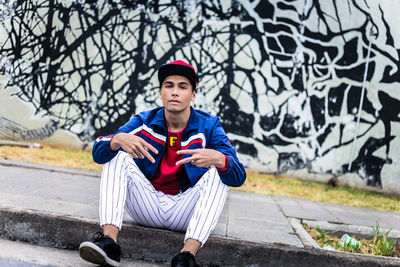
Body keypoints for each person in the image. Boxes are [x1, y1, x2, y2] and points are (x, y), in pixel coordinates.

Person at [78, 60, 246, 266]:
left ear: (193, 95)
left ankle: (186, 257)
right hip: (147, 205)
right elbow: (98, 152)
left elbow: (238, 176)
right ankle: (109, 244)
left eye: (182, 87)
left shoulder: (209, 125)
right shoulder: (144, 121)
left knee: (219, 170)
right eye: (169, 85)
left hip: (185, 210)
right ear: (161, 92)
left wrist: (220, 160)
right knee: (117, 156)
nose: (175, 92)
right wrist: (116, 140)